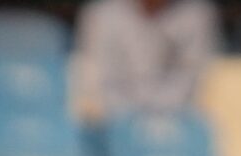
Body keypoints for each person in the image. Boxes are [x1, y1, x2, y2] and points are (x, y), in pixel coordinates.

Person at [79, 0, 219, 115]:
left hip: (177, 119)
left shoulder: (197, 13)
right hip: (115, 121)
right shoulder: (102, 14)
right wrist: (131, 115)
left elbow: (193, 75)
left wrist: (157, 113)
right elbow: (99, 78)